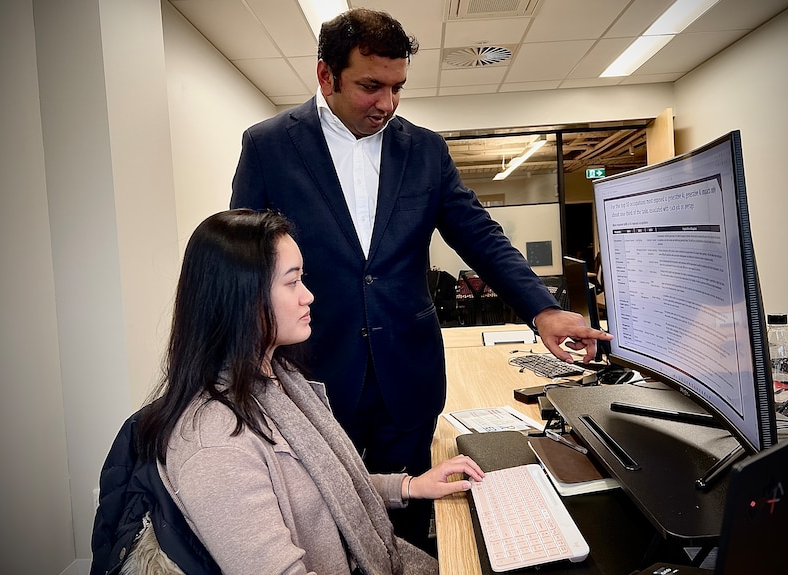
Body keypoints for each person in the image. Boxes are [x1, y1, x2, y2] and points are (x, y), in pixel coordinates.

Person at [230, 7, 612, 551]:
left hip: (407, 375)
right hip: (312, 371)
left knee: (410, 518)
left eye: (397, 87)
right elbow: (241, 260)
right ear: (325, 75)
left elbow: (478, 234)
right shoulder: (269, 145)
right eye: (369, 86)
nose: (386, 103)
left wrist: (541, 308)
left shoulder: (425, 150)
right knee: (320, 516)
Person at [127, 209, 484, 574]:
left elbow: (328, 490)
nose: (308, 296)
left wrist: (410, 486)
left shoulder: (279, 379)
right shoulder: (214, 445)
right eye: (292, 282)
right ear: (243, 297)